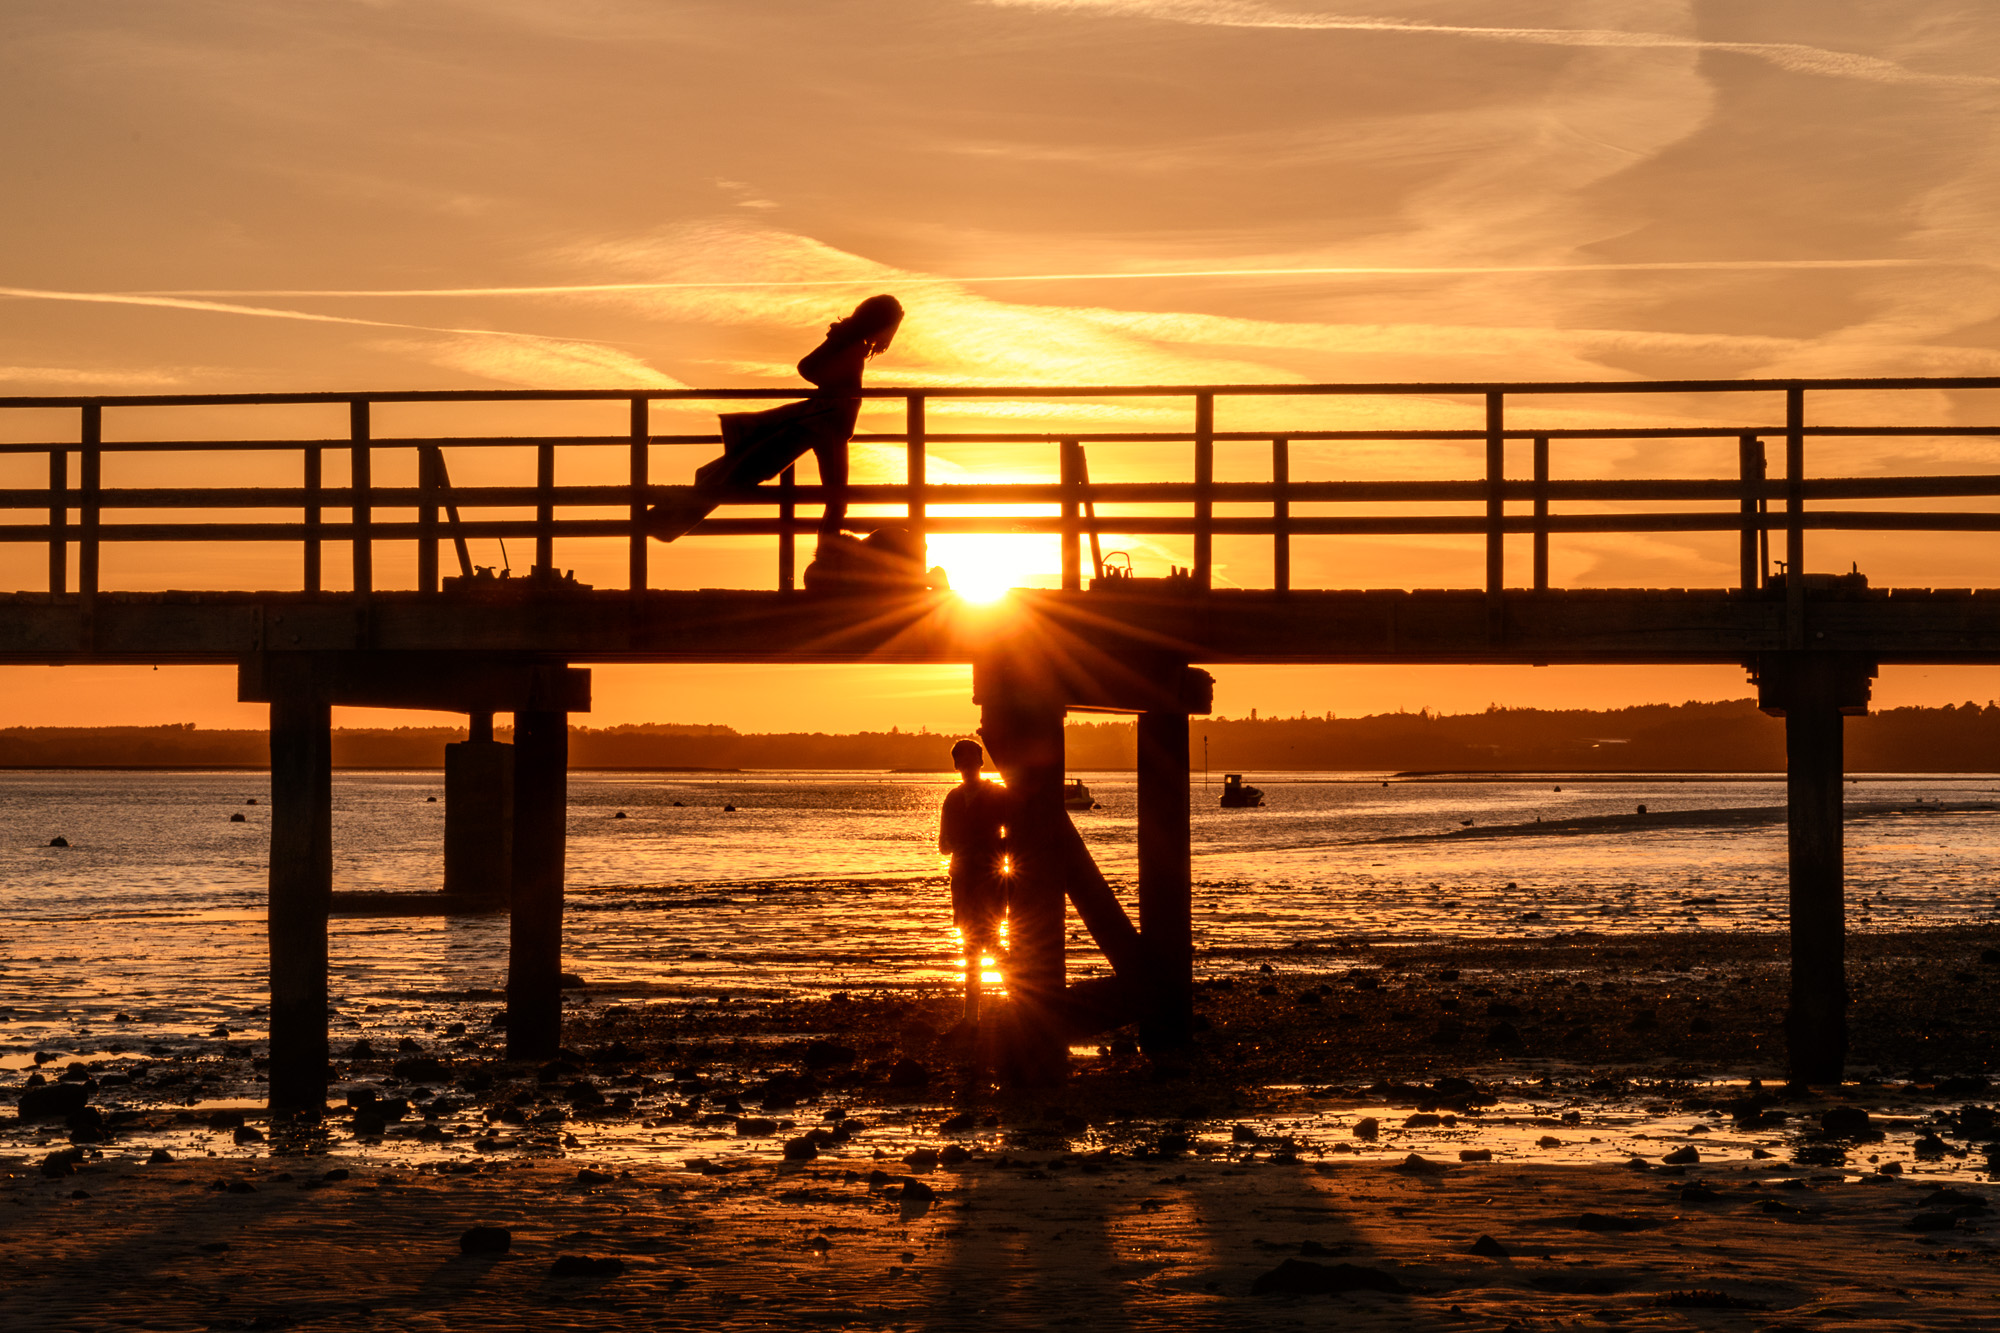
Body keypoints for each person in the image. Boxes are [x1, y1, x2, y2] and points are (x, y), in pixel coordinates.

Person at [646, 294, 905, 557]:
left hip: (829, 426)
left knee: (747, 474)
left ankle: (665, 520)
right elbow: (807, 367)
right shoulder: (844, 340)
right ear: (881, 322)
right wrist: (835, 389)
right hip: (823, 425)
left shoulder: (853, 342)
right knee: (824, 497)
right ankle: (828, 560)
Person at [938, 738, 1012, 1026]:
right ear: (957, 766)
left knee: (992, 943)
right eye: (962, 763)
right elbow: (943, 846)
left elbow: (1014, 837)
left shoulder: (997, 795)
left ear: (981, 763)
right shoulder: (953, 799)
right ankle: (971, 1016)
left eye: (972, 762)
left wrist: (989, 851)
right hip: (963, 883)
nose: (967, 768)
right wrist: (953, 844)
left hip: (990, 881)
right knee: (970, 947)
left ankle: (1017, 1003)